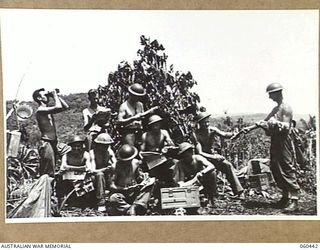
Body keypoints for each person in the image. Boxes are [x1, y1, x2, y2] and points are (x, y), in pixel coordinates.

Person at [250, 83, 300, 212]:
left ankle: (294, 199)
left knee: (287, 167)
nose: (270, 97)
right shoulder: (275, 109)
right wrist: (250, 127)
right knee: (276, 167)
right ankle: (285, 196)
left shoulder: (286, 108)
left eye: (271, 94)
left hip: (284, 141)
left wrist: (274, 123)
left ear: (277, 93)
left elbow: (286, 126)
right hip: (275, 140)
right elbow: (265, 121)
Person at [192, 112, 244, 199]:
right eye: (204, 122)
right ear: (199, 124)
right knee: (211, 172)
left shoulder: (212, 130)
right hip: (203, 158)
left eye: (208, 122)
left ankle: (239, 191)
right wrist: (215, 157)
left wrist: (234, 134)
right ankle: (212, 194)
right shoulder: (196, 135)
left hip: (213, 155)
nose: (207, 124)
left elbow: (224, 134)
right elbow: (199, 152)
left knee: (228, 165)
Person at [32, 88, 69, 177]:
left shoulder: (47, 109)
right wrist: (54, 95)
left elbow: (66, 107)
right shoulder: (40, 110)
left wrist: (56, 95)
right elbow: (58, 107)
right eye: (45, 95)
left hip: (54, 142)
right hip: (47, 142)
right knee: (48, 171)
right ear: (39, 98)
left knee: (67, 152)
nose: (47, 97)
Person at [109, 144, 154, 216]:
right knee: (113, 198)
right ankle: (130, 208)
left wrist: (144, 177)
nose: (127, 162)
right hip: (122, 193)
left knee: (150, 184)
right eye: (125, 161)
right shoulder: (115, 167)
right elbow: (112, 186)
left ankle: (135, 206)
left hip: (135, 190)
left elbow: (138, 177)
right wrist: (124, 189)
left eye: (130, 160)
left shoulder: (136, 163)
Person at [173, 142, 217, 207]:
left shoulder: (197, 158)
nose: (186, 158)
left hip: (203, 179)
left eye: (187, 155)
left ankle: (211, 198)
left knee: (212, 173)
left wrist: (202, 172)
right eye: (184, 156)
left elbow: (211, 166)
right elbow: (181, 180)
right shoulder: (181, 164)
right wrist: (183, 184)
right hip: (191, 182)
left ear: (191, 152)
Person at [56, 135, 91, 206]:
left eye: (78, 146)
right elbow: (63, 167)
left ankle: (86, 201)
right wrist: (80, 168)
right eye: (74, 146)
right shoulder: (66, 155)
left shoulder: (86, 154)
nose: (76, 148)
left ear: (82, 146)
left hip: (82, 178)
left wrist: (69, 168)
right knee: (59, 178)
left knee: (91, 178)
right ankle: (61, 199)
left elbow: (88, 168)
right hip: (69, 178)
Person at [140, 115, 176, 184]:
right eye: (154, 125)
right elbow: (141, 152)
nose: (156, 126)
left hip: (162, 158)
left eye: (157, 124)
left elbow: (172, 145)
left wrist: (169, 145)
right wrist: (144, 157)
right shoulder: (145, 135)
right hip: (150, 161)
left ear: (160, 124)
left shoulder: (164, 132)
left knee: (173, 165)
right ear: (150, 126)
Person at [89, 133, 117, 212]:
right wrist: (104, 169)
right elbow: (92, 170)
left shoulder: (109, 151)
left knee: (114, 170)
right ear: (98, 144)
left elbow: (115, 163)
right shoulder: (92, 153)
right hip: (95, 177)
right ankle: (101, 202)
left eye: (107, 145)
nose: (105, 147)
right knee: (100, 175)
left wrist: (112, 167)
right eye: (103, 145)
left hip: (107, 174)